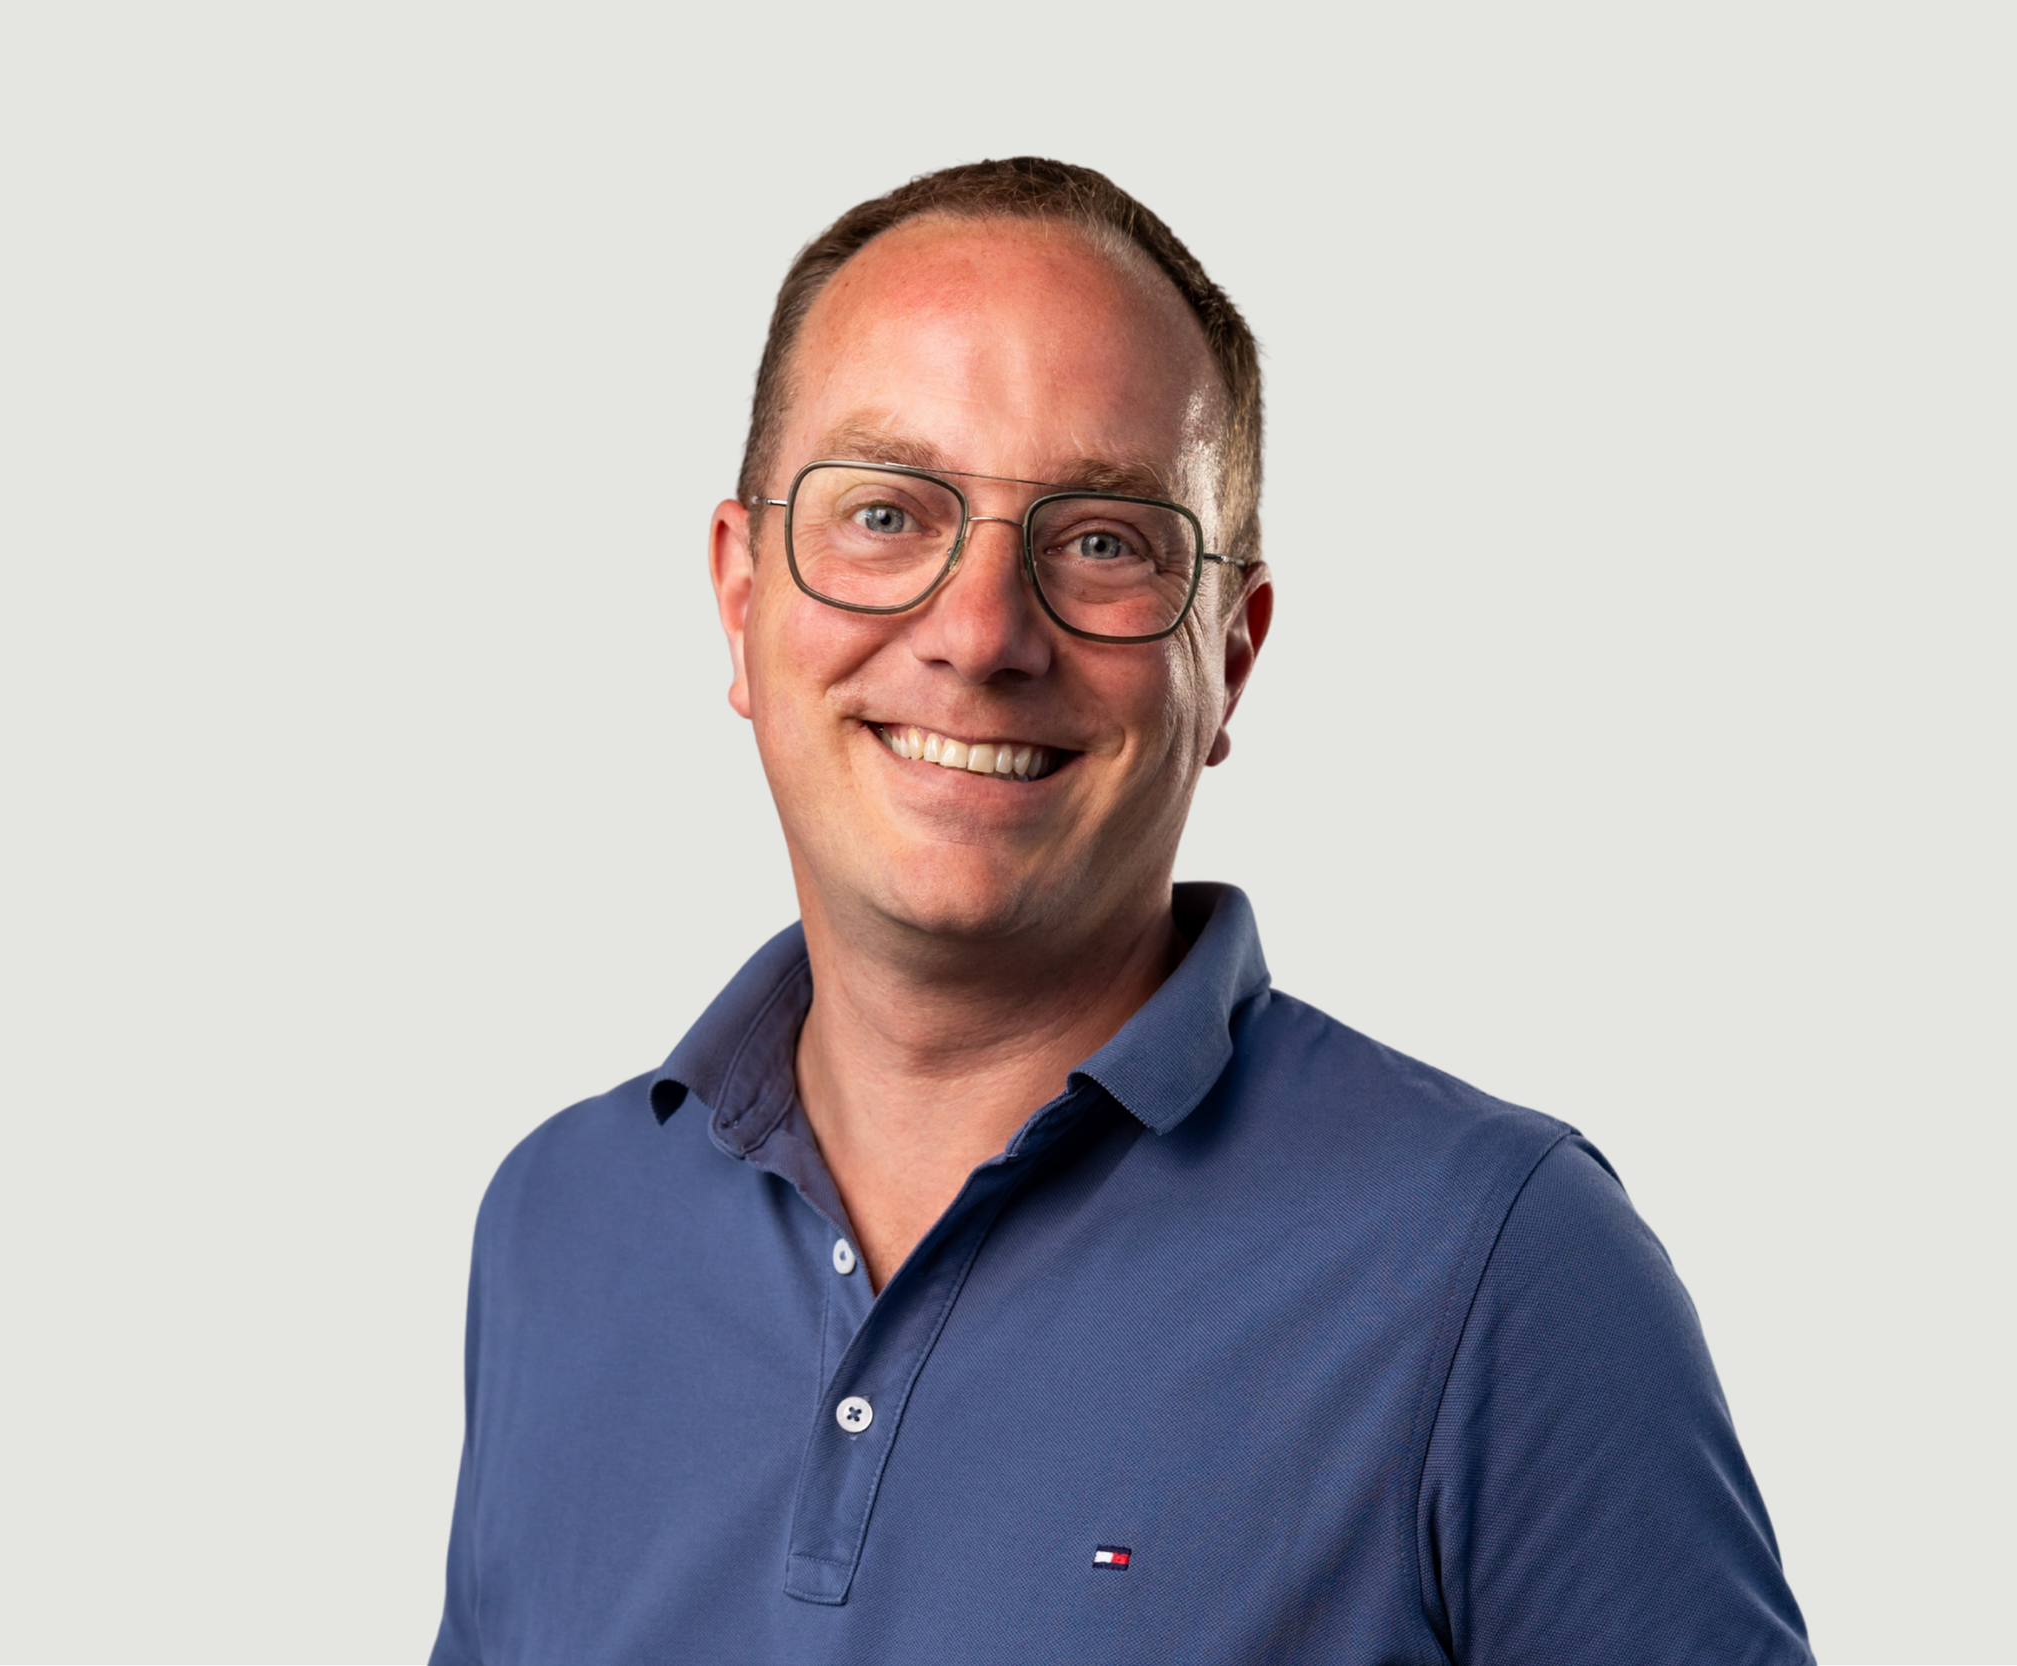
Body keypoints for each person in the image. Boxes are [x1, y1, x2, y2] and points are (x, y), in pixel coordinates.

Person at [430, 156, 1811, 1665]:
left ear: (1232, 655)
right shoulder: (558, 1225)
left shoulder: (1501, 1267)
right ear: (742, 595)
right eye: (886, 511)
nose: (979, 634)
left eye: (1101, 540)